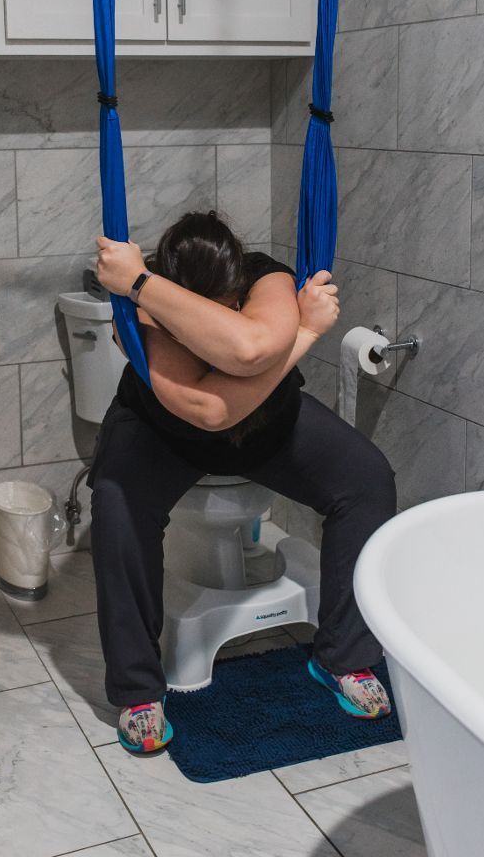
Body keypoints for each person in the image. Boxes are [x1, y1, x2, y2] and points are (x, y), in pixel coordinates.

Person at [90, 211, 396, 755]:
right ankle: (138, 690)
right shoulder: (136, 302)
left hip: (268, 423)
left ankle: (344, 657)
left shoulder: (265, 275)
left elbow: (252, 348)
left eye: (226, 304)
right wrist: (305, 331)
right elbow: (207, 409)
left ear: (239, 279)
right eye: (196, 307)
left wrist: (281, 333)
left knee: (366, 480)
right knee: (117, 503)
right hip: (162, 430)